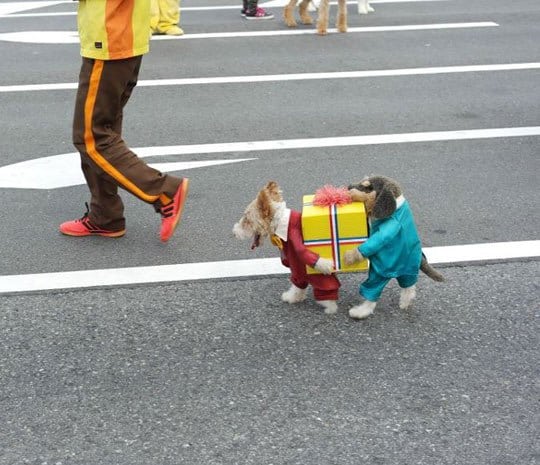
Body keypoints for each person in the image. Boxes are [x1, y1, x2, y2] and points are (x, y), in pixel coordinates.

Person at [60, 0, 189, 242]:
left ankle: (164, 191)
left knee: (92, 136)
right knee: (105, 130)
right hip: (125, 35)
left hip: (109, 37)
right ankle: (105, 216)